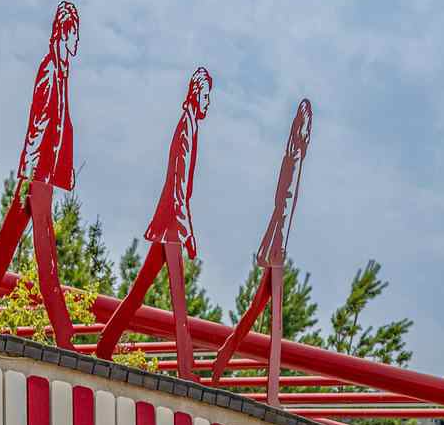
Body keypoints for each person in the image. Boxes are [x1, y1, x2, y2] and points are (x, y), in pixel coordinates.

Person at [0, 1, 81, 344]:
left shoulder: (61, 72)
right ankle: (63, 331)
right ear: (63, 32)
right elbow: (39, 125)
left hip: (42, 176)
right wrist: (29, 173)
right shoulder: (50, 70)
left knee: (5, 246)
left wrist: (60, 171)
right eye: (74, 34)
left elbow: (60, 127)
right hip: (36, 178)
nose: (76, 42)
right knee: (46, 256)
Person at [95, 67, 212, 376]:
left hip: (170, 223)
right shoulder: (185, 129)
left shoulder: (190, 127)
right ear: (194, 94)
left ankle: (106, 342)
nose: (207, 102)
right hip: (172, 224)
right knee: (178, 303)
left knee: (140, 292)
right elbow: (177, 186)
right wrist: (187, 233)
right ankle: (185, 368)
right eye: (205, 96)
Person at [209, 99, 312, 397]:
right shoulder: (293, 158)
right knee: (272, 322)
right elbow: (282, 203)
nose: (307, 134)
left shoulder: (297, 157)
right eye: (305, 127)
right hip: (277, 248)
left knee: (255, 311)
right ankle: (269, 390)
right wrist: (274, 243)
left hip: (279, 247)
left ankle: (224, 359)